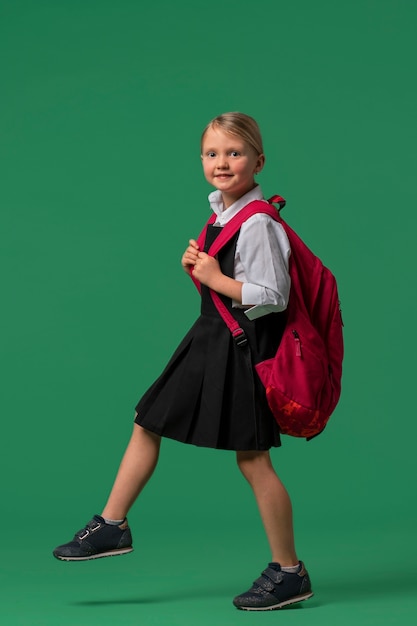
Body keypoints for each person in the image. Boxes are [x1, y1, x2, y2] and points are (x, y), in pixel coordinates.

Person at [53, 112, 314, 611]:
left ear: (258, 161)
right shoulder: (222, 213)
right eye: (212, 154)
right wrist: (200, 272)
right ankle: (112, 525)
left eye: (234, 153)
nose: (222, 163)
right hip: (209, 339)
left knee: (254, 460)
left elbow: (271, 296)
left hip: (240, 351)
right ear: (201, 160)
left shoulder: (257, 222)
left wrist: (214, 277)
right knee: (147, 420)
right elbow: (227, 289)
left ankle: (289, 572)